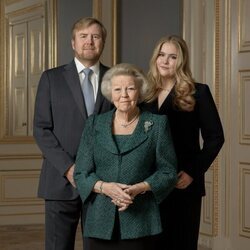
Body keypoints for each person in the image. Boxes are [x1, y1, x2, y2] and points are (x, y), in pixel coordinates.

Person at [74, 63, 178, 250]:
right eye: (118, 89)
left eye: (130, 88)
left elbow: (168, 172)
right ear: (110, 93)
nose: (124, 94)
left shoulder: (157, 124)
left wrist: (140, 187)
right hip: (99, 221)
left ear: (139, 92)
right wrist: (105, 188)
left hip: (141, 220)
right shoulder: (94, 124)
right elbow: (81, 173)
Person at [33, 17, 113, 250]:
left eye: (96, 37)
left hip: (102, 181)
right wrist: (69, 168)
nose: (90, 41)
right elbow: (41, 128)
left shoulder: (116, 79)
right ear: (73, 42)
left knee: (99, 246)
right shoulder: (51, 78)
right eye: (84, 36)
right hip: (60, 180)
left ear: (103, 43)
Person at [144, 35, 225, 250]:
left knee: (182, 244)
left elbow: (215, 137)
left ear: (181, 61)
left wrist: (192, 172)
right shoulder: (143, 93)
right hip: (148, 184)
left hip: (183, 183)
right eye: (161, 55)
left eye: (172, 56)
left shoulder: (198, 92)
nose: (165, 61)